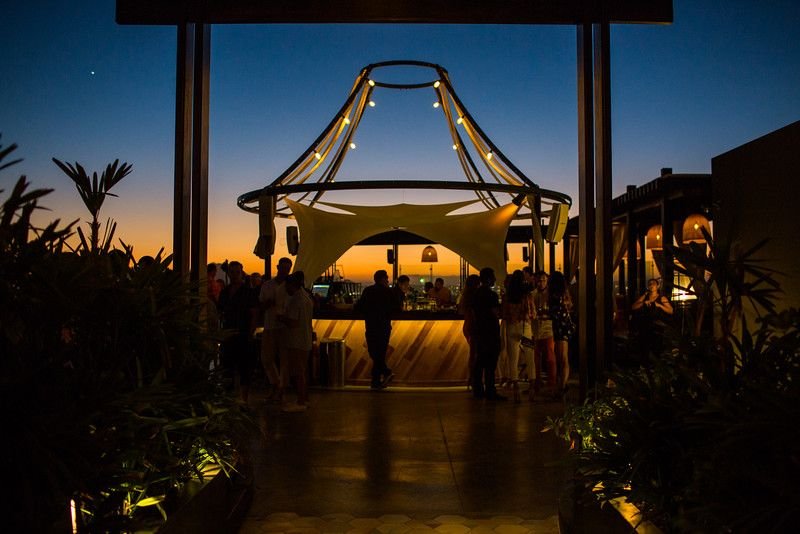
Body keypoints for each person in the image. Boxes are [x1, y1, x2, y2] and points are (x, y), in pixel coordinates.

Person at [218, 261, 259, 405]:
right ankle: (229, 397)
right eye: (232, 272)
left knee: (244, 367)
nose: (234, 275)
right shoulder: (225, 292)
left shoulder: (248, 293)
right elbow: (221, 312)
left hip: (243, 333)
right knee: (227, 366)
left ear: (241, 273)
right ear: (229, 274)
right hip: (228, 334)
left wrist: (250, 333)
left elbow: (254, 314)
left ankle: (243, 398)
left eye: (237, 272)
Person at [355, 270, 400, 389]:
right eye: (386, 278)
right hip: (384, 327)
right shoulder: (388, 292)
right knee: (380, 353)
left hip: (371, 326)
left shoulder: (368, 291)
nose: (388, 280)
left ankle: (376, 381)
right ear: (382, 279)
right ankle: (384, 373)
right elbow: (396, 308)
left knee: (374, 353)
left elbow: (359, 307)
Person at [277, 271, 314, 412]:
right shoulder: (307, 298)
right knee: (303, 371)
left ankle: (300, 401)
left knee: (298, 372)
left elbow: (293, 323)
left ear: (292, 285)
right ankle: (304, 399)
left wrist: (281, 318)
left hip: (296, 340)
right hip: (305, 339)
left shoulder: (296, 300)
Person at [470, 267, 506, 400]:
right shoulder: (492, 295)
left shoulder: (476, 294)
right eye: (493, 277)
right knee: (490, 363)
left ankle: (478, 389)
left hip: (480, 331)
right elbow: (496, 313)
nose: (495, 280)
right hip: (491, 331)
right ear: (489, 279)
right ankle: (490, 390)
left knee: (480, 361)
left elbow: (473, 313)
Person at [259, 257, 292, 401]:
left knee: (285, 360)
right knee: (267, 358)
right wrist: (269, 303)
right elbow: (260, 306)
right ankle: (277, 384)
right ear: (278, 267)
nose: (285, 271)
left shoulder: (291, 287)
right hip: (271, 326)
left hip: (284, 327)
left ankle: (280, 389)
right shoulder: (267, 285)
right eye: (283, 268)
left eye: (287, 269)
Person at [500, 270, 533, 403]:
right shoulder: (527, 295)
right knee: (530, 356)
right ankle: (531, 386)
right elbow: (532, 313)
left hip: (511, 328)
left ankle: (515, 388)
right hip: (525, 328)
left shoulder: (507, 297)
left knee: (512, 359)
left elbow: (503, 313)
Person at [631, 278, 674, 358]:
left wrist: (660, 305)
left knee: (656, 347)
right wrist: (643, 303)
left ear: (658, 286)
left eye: (653, 283)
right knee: (644, 347)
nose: (651, 285)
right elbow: (633, 307)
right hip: (645, 325)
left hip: (657, 326)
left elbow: (671, 311)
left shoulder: (662, 298)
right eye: (649, 284)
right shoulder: (645, 296)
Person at [531, 271, 557, 399]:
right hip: (536, 330)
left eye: (543, 280)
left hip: (547, 329)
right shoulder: (533, 294)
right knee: (537, 358)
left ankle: (551, 383)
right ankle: (537, 381)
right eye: (539, 280)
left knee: (549, 357)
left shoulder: (550, 295)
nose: (541, 283)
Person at [548, 271, 574, 399]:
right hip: (562, 327)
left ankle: (562, 387)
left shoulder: (557, 297)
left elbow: (557, 313)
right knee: (561, 358)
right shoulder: (563, 295)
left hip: (561, 328)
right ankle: (562, 385)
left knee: (562, 358)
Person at [457, 274, 481, 390]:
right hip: (474, 327)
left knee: (473, 354)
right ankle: (474, 380)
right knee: (476, 355)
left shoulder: (465, 296)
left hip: (468, 326)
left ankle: (472, 379)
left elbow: (461, 311)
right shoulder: (476, 296)